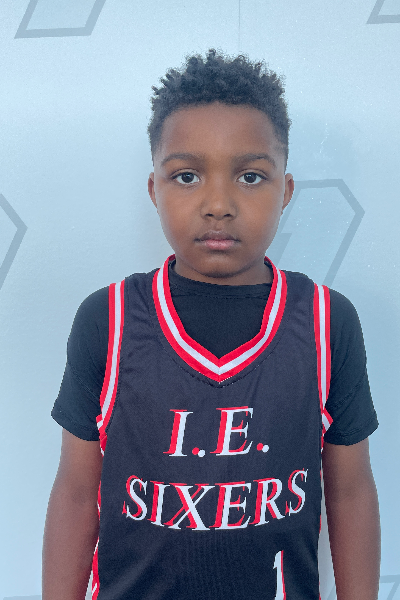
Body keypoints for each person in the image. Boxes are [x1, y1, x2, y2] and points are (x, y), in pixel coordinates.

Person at [42, 49, 380, 600]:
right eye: (187, 175)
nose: (218, 204)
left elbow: (350, 491)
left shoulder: (326, 321)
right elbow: (78, 493)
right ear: (154, 189)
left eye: (250, 176)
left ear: (285, 192)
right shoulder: (108, 319)